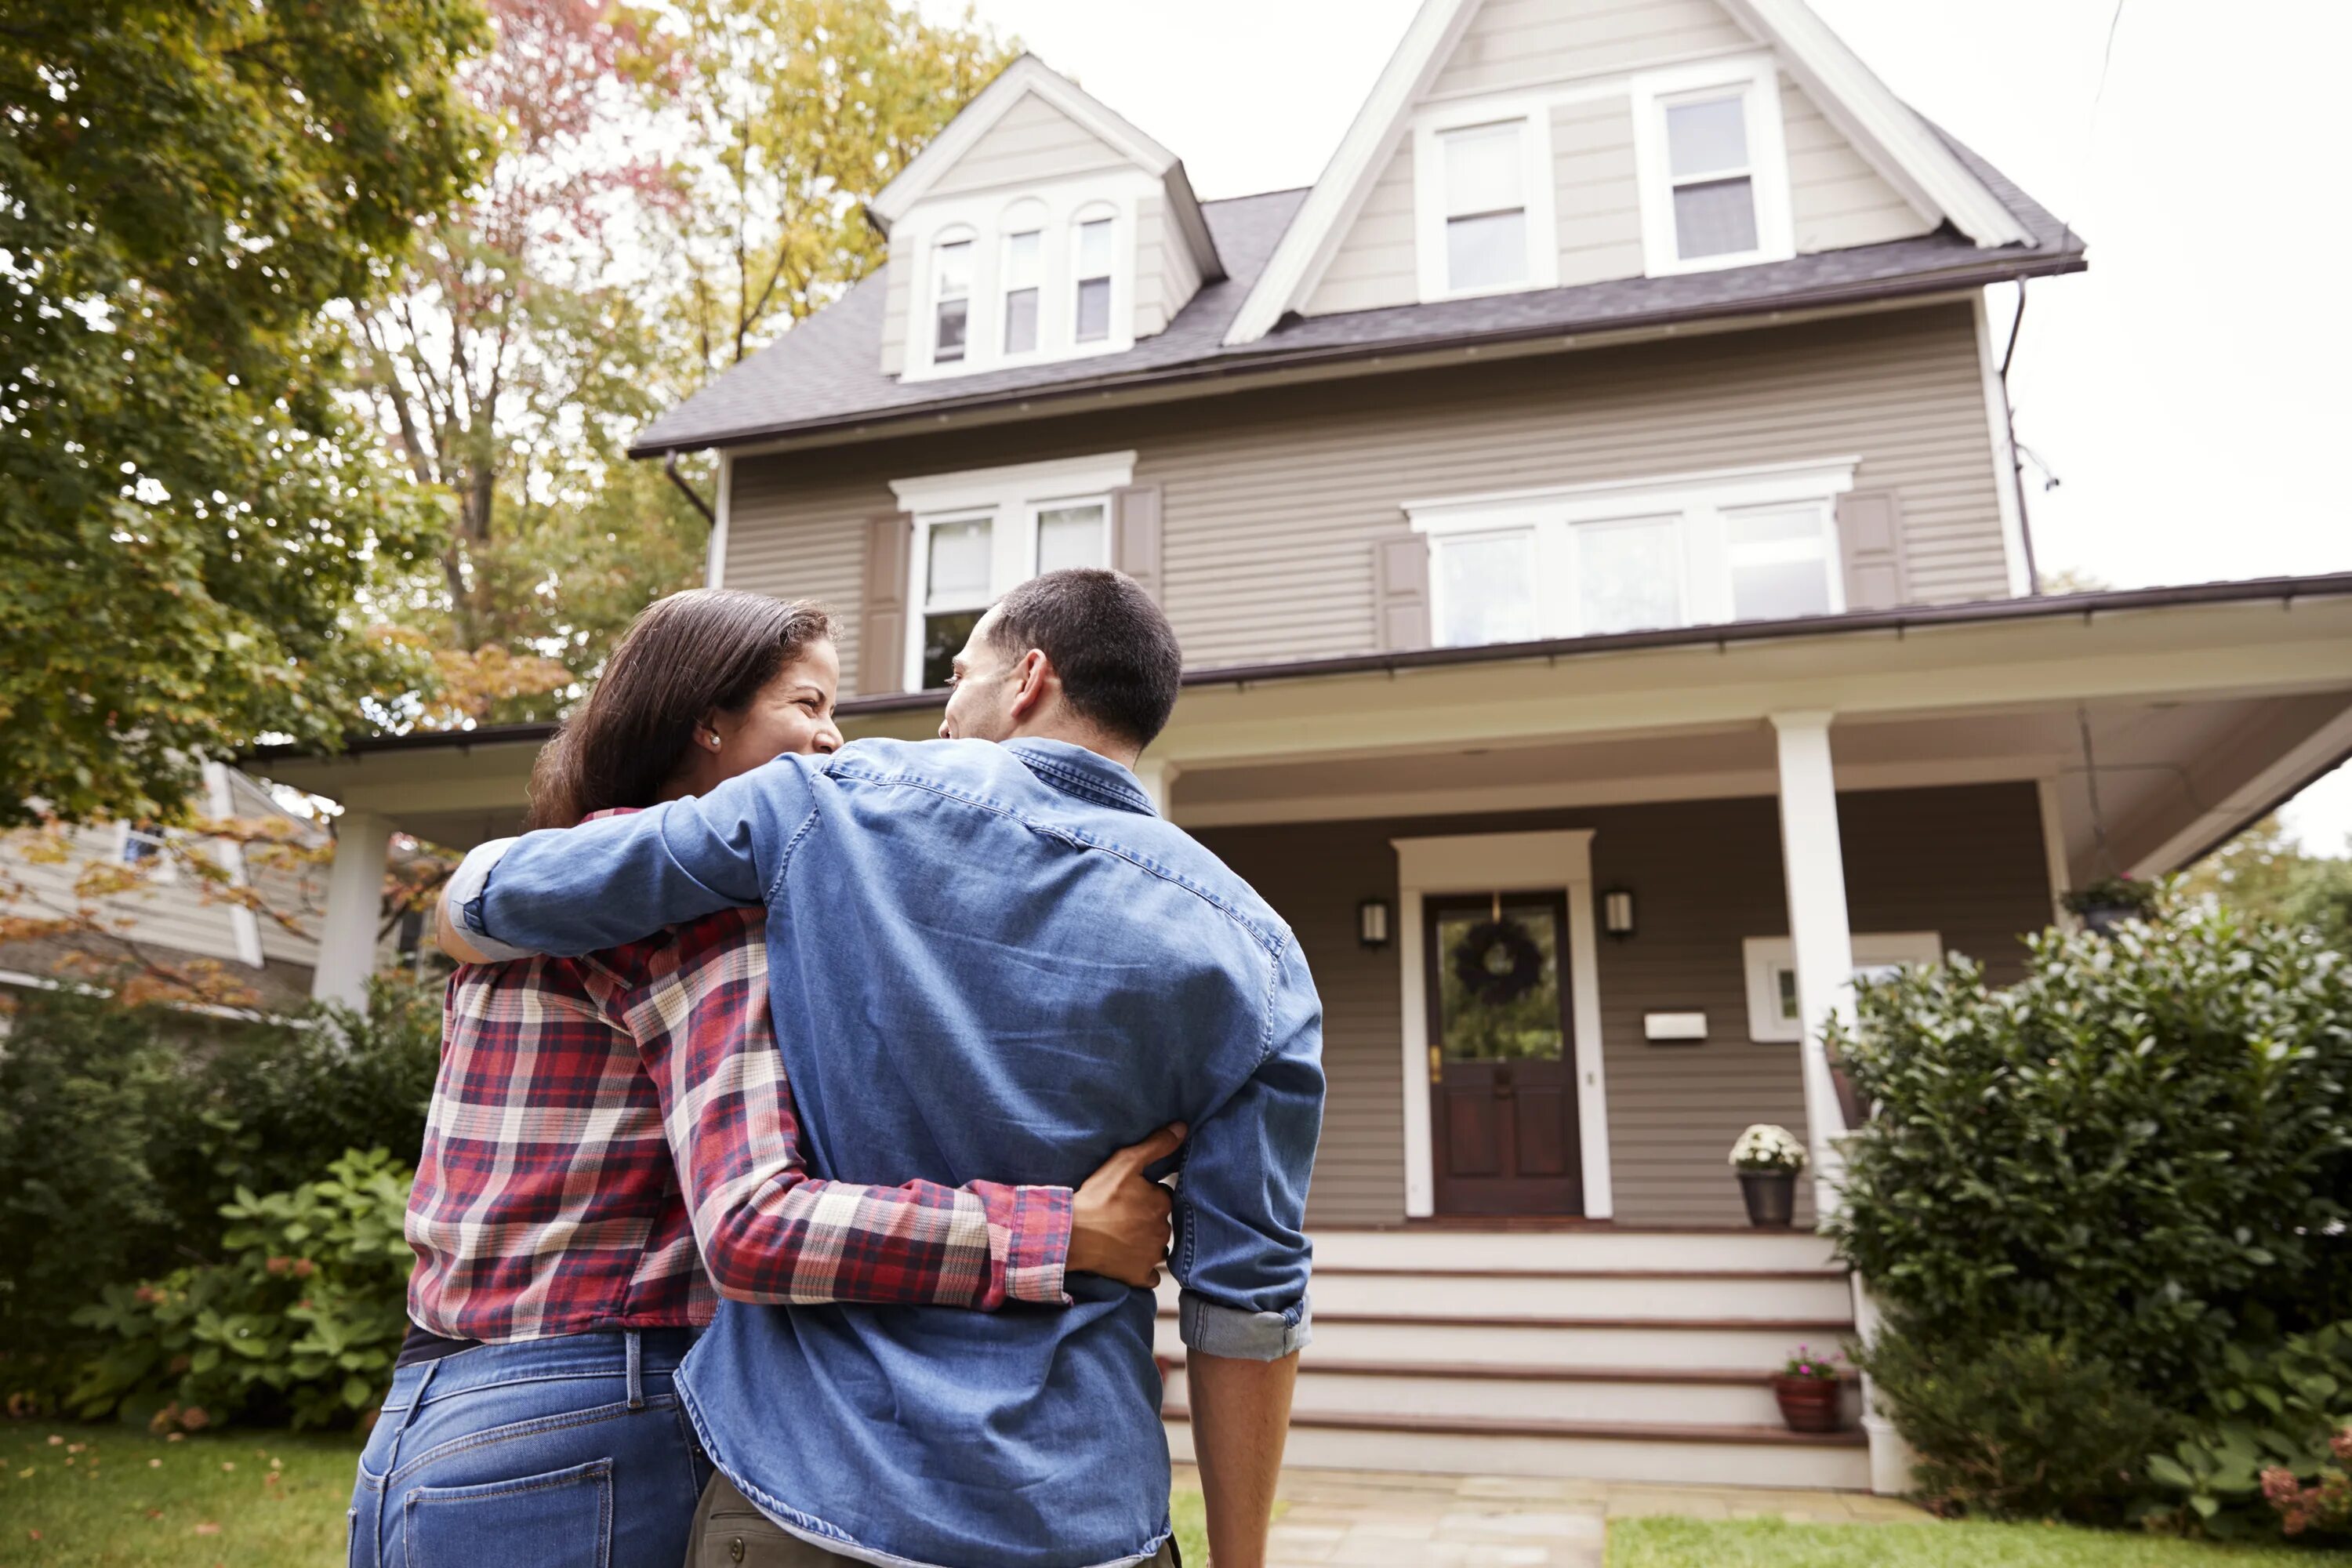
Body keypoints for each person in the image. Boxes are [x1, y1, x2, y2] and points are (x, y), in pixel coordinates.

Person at [438, 568, 1322, 1568]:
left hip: (811, 1494)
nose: (943, 715)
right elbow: (1249, 1300)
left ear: (1026, 678)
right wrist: (1239, 1557)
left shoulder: (824, 805)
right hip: (1081, 1510)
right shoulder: (1260, 952)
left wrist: (462, 900)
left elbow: (501, 895)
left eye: (958, 676)